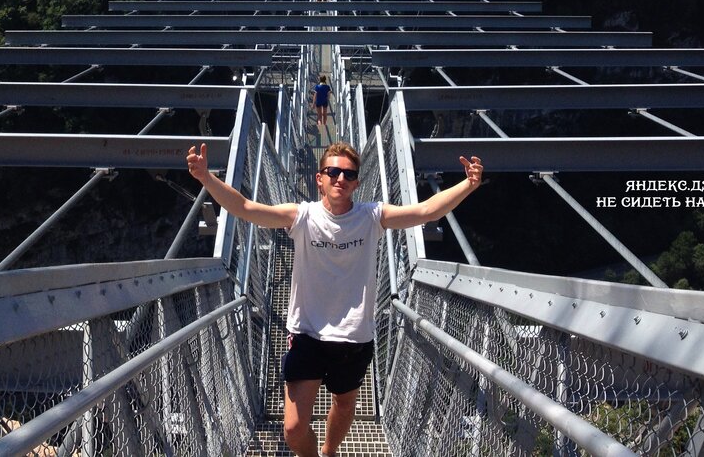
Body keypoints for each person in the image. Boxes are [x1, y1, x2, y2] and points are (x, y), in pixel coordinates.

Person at [186, 140, 483, 457]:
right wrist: (206, 178)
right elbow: (245, 208)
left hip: (354, 337)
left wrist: (469, 183)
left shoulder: (372, 217)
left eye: (349, 174)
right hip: (307, 334)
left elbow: (425, 211)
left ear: (356, 182)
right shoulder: (303, 216)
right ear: (319, 178)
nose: (341, 178)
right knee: (293, 429)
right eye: (333, 172)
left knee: (344, 404)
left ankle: (329, 452)